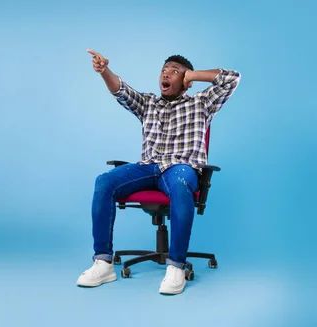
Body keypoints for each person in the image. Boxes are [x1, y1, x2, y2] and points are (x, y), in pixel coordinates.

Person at [76, 49, 241, 294]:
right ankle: (103, 263)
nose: (166, 75)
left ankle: (176, 267)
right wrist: (104, 71)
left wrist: (192, 74)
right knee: (104, 182)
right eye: (164, 70)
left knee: (181, 182)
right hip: (149, 167)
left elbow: (232, 78)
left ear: (186, 82)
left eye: (174, 72)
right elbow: (120, 90)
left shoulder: (202, 103)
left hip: (180, 168)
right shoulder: (148, 104)